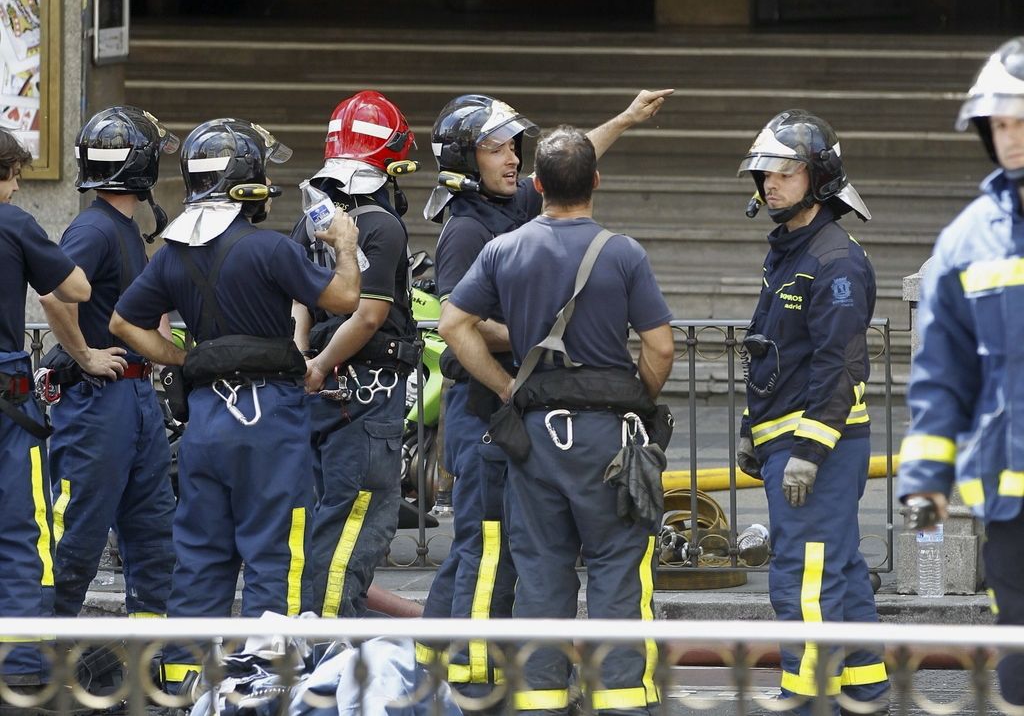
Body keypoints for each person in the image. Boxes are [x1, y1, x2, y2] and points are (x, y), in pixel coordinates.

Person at [419, 88, 672, 700]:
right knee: (535, 554)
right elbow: (660, 347)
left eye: (515, 150)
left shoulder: (507, 232)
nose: (510, 159)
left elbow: (454, 321)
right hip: (549, 424)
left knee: (536, 567)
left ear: (538, 176)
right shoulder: (473, 230)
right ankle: (481, 674)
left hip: (529, 429)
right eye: (495, 148)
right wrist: (627, 392)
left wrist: (626, 119)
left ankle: (534, 695)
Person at [108, 118, 361, 696]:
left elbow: (122, 322)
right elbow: (346, 297)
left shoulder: (171, 255)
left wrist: (182, 357)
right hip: (269, 417)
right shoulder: (269, 247)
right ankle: (266, 686)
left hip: (206, 420)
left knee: (201, 552)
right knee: (277, 551)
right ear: (247, 180)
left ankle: (181, 682)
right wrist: (344, 245)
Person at [735, 110, 888, 713]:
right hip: (792, 441)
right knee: (842, 572)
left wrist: (806, 452)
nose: (770, 183)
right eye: (764, 174)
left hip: (815, 448)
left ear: (818, 178)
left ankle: (806, 699)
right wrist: (756, 431)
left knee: (805, 575)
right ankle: (864, 690)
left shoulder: (837, 262)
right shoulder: (793, 251)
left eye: (785, 172)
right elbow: (778, 349)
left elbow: (838, 364)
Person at [896, 37, 1024, 704]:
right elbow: (941, 374)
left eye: (1021, 121)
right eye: (999, 124)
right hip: (1012, 507)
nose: (1010, 138)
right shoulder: (969, 239)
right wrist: (925, 480)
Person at [38, 106, 177, 629]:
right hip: (100, 402)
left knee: (152, 537)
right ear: (141, 167)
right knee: (76, 537)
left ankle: (150, 670)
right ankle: (36, 664)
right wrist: (84, 354)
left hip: (130, 399)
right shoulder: (94, 230)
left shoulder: (117, 227)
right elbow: (55, 296)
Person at [292, 90, 419, 618]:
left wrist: (305, 360)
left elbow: (300, 301)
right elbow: (369, 315)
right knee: (357, 524)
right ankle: (328, 647)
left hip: (326, 394)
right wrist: (319, 365)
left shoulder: (311, 220)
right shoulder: (381, 224)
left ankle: (308, 639)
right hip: (366, 401)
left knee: (326, 520)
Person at [0, 129, 91, 716]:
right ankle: (23, 674)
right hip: (7, 406)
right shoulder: (13, 224)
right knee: (19, 535)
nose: (13, 189)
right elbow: (75, 287)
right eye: (11, 178)